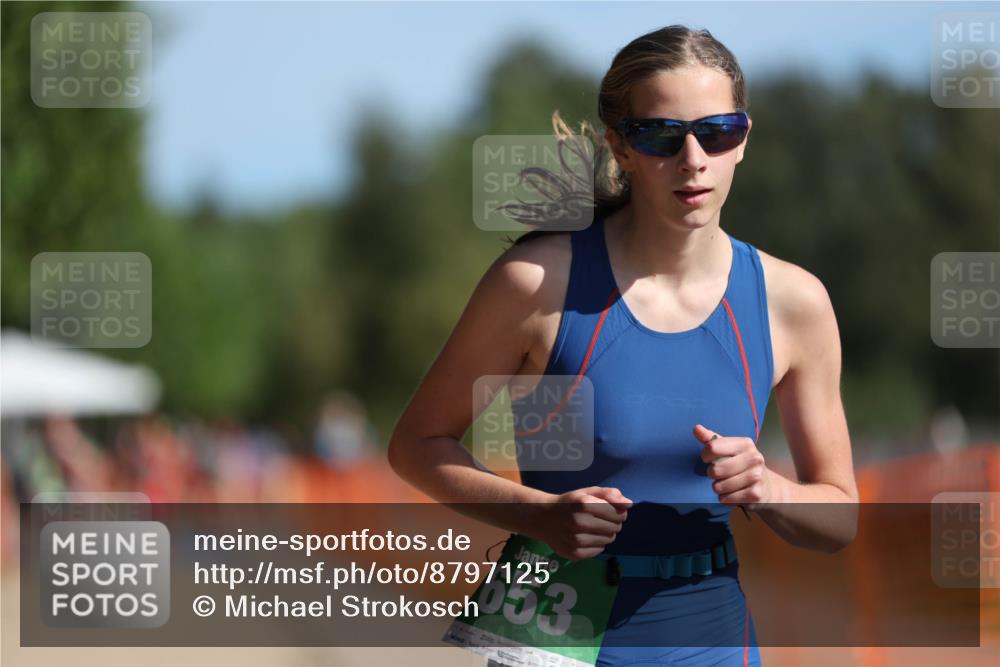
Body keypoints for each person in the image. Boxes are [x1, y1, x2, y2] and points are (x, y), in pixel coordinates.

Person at [389, 25, 859, 666]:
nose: (693, 158)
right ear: (621, 145)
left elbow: (840, 519)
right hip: (552, 634)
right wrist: (541, 516)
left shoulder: (793, 301)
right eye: (663, 135)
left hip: (710, 636)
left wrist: (768, 488)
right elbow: (416, 444)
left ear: (743, 140)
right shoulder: (537, 283)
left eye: (717, 132)